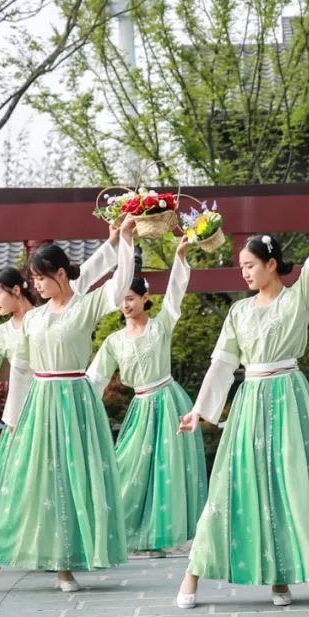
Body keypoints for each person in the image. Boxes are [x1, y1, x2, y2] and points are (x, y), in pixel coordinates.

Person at [173, 188, 309, 609]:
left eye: (250, 265)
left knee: (290, 482)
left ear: (272, 264)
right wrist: (200, 411)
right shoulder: (239, 313)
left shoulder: (297, 297)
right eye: (241, 266)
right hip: (251, 400)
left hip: (289, 395)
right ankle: (192, 574)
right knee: (231, 483)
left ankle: (280, 577)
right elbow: (222, 365)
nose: (244, 273)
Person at [0, 217, 137, 595]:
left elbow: (118, 284)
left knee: (69, 483)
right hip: (40, 403)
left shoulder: (84, 307)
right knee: (26, 481)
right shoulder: (33, 318)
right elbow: (15, 369)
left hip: (76, 400)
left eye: (40, 277)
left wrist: (124, 242)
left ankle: (64, 567)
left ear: (59, 274)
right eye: (32, 279)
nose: (35, 285)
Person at [86, 236, 207, 557]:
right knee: (129, 464)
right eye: (122, 299)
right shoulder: (114, 341)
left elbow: (176, 295)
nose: (125, 305)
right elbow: (95, 378)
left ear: (144, 297)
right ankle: (128, 532)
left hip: (168, 400)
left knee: (167, 467)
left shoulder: (161, 326)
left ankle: (162, 536)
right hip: (140, 406)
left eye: (131, 298)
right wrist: (81, 408)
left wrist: (180, 257)